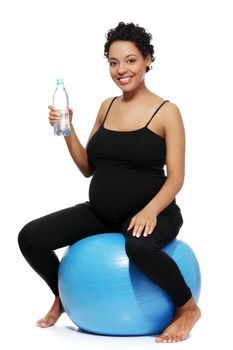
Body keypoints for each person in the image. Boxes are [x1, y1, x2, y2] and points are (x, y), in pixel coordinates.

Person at [18, 21, 201, 343]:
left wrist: (150, 212)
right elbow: (88, 167)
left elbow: (177, 177)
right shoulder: (107, 106)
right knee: (31, 237)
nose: (121, 70)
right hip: (101, 213)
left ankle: (187, 308)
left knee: (139, 246)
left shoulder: (166, 111)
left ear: (147, 59)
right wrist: (68, 130)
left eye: (130, 60)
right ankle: (61, 296)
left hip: (153, 212)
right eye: (113, 62)